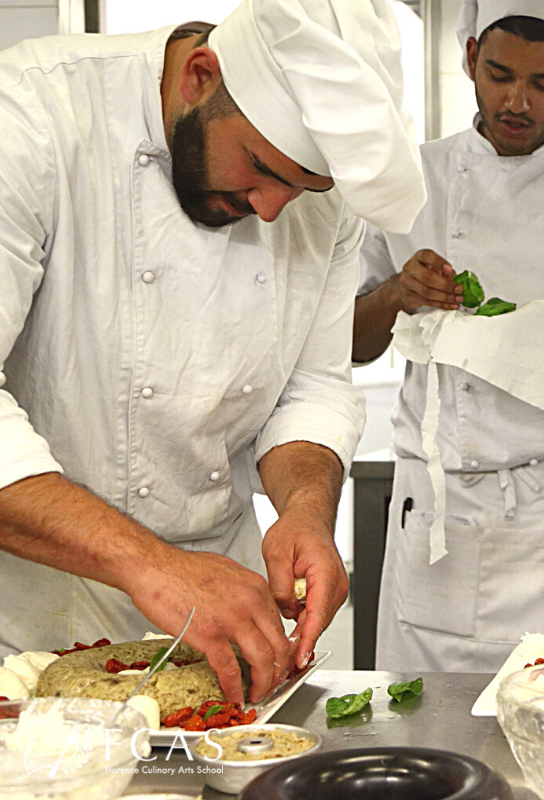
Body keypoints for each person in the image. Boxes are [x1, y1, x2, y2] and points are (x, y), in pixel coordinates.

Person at [0, 0, 425, 704]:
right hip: (26, 615)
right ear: (200, 75)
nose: (270, 210)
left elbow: (312, 387)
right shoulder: (33, 116)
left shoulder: (306, 199)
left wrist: (306, 513)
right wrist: (152, 566)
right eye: (259, 167)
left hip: (218, 618)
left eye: (303, 189)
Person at [353, 0, 544, 672]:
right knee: (418, 727)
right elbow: (350, 345)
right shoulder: (410, 179)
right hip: (437, 512)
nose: (517, 101)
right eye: (500, 74)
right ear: (470, 55)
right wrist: (395, 295)